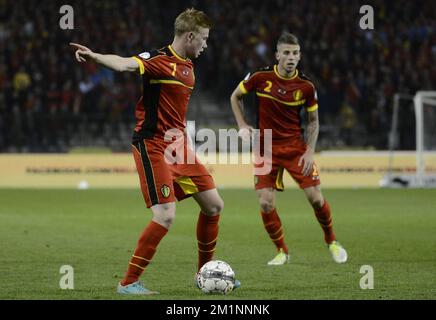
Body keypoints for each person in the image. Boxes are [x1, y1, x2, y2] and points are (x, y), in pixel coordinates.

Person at [71, 8, 239, 294]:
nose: (206, 45)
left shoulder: (189, 67)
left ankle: (204, 274)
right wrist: (97, 57)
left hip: (178, 147)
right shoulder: (158, 60)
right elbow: (124, 64)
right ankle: (128, 282)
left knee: (214, 206)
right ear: (189, 36)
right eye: (204, 39)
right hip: (153, 144)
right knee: (165, 215)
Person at [230, 32, 347, 265]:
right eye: (286, 53)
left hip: (295, 147)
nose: (291, 57)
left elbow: (313, 122)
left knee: (315, 198)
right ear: (277, 55)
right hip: (265, 148)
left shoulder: (305, 86)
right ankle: (282, 251)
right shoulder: (260, 77)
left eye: (295, 53)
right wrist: (243, 124)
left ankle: (332, 241)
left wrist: (310, 151)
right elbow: (235, 96)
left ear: (300, 55)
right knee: (265, 202)